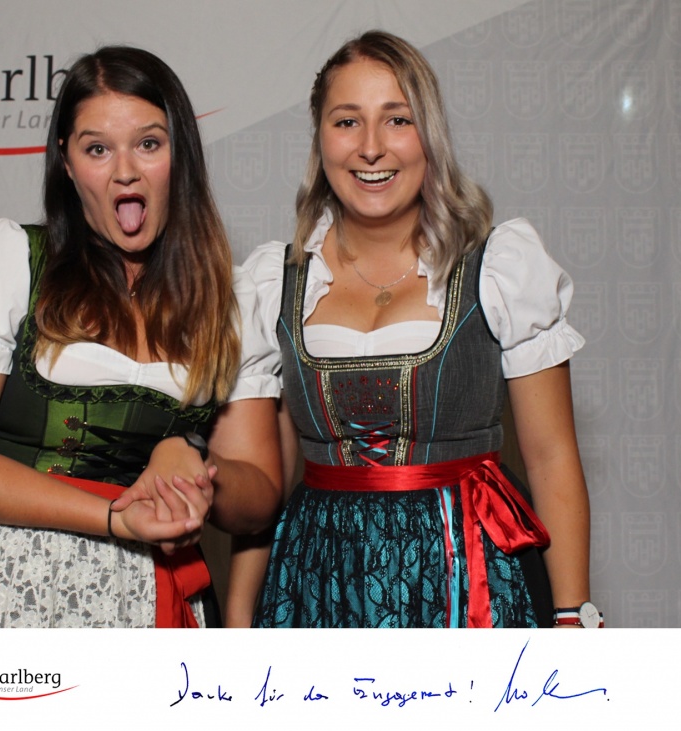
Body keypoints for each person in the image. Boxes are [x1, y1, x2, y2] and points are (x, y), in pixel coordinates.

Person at [0, 46, 282, 628]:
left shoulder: (230, 301)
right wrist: (116, 518)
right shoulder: (8, 262)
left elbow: (258, 494)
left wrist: (195, 463)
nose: (125, 171)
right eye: (97, 149)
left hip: (144, 599)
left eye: (149, 143)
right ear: (66, 162)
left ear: (181, 154)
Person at [234, 31, 595, 628]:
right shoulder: (275, 281)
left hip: (468, 572)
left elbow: (551, 457)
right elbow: (265, 486)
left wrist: (572, 616)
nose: (371, 147)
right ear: (320, 139)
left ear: (429, 134)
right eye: (347, 122)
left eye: (397, 120)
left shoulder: (498, 268)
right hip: (318, 578)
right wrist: (237, 627)